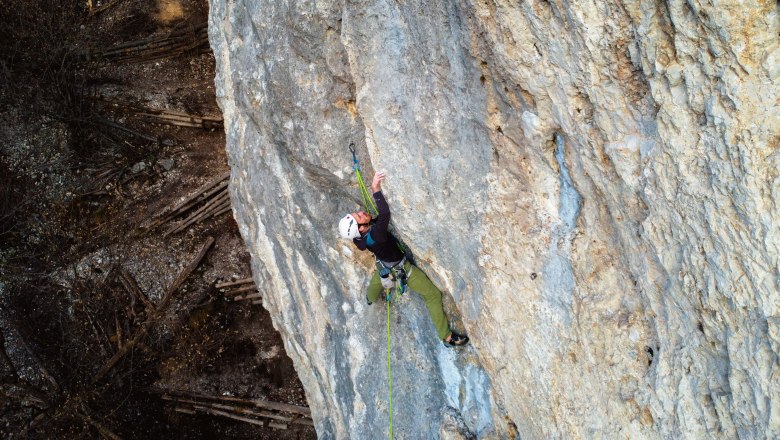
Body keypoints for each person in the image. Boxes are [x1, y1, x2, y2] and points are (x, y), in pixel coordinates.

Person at [338, 171, 469, 347]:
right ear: (361, 229)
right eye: (360, 216)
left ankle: (369, 298)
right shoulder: (376, 235)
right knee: (432, 295)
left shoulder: (359, 239)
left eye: (358, 213)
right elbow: (384, 215)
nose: (362, 212)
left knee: (377, 281)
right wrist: (375, 189)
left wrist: (366, 220)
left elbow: (371, 223)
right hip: (402, 270)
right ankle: (446, 337)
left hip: (383, 264)